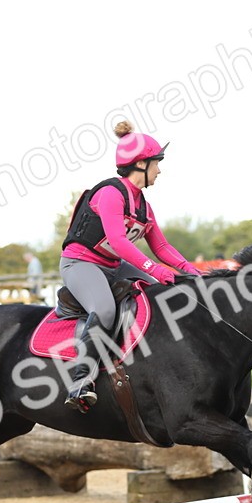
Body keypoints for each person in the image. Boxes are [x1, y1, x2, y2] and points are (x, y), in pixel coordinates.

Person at [59, 120, 201, 413]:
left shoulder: (143, 205)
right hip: (80, 264)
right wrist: (157, 269)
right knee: (106, 309)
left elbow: (161, 246)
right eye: (156, 163)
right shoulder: (111, 193)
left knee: (159, 295)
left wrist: (190, 271)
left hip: (112, 265)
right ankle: (80, 381)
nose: (160, 170)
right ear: (141, 164)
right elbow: (119, 241)